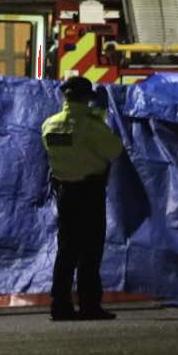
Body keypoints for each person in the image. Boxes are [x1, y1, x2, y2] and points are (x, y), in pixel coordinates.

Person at [40, 75, 123, 321]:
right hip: (89, 193)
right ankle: (89, 305)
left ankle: (60, 305)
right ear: (87, 98)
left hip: (65, 194)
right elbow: (115, 149)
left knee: (66, 250)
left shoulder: (49, 126)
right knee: (90, 251)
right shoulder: (90, 126)